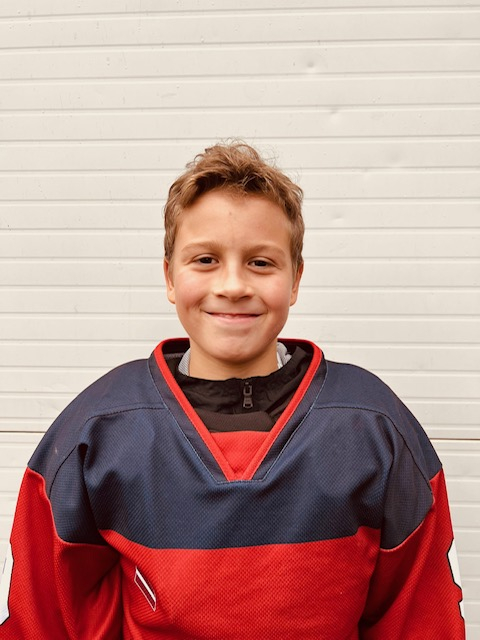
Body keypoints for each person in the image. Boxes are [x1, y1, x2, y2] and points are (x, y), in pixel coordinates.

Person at [0, 142, 465, 639]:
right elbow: (42, 617)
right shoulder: (98, 430)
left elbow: (423, 617)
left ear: (295, 279)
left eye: (261, 263)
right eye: (205, 259)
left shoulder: (373, 427)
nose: (233, 285)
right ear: (169, 276)